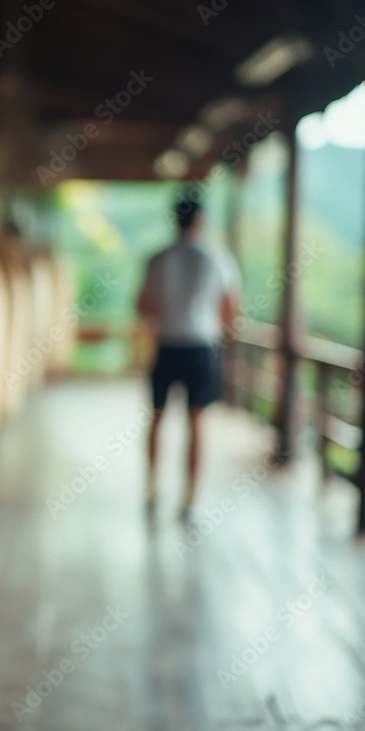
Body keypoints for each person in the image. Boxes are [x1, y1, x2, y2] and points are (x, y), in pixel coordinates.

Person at [137, 194, 240, 521]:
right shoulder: (218, 258)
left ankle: (153, 487)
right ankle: (191, 497)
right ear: (200, 220)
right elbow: (230, 308)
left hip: (167, 343)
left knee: (157, 416)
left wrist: (169, 313)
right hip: (202, 347)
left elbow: (143, 305)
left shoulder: (157, 259)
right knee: (197, 421)